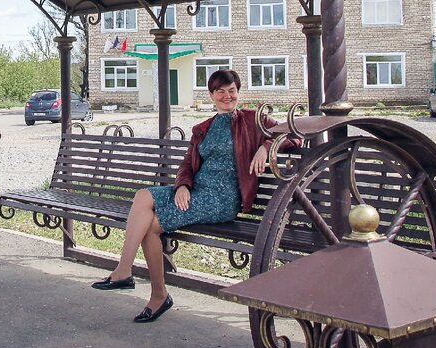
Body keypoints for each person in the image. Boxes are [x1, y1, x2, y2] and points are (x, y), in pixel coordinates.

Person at [91, 68, 298, 323]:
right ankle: (126, 272)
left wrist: (265, 148)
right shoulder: (203, 128)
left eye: (231, 91)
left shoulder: (253, 120)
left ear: (238, 92)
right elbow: (187, 164)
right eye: (220, 91)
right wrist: (182, 186)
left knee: (151, 227)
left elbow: (292, 133)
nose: (227, 96)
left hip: (223, 199)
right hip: (197, 192)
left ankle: (153, 292)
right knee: (143, 196)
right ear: (211, 95)